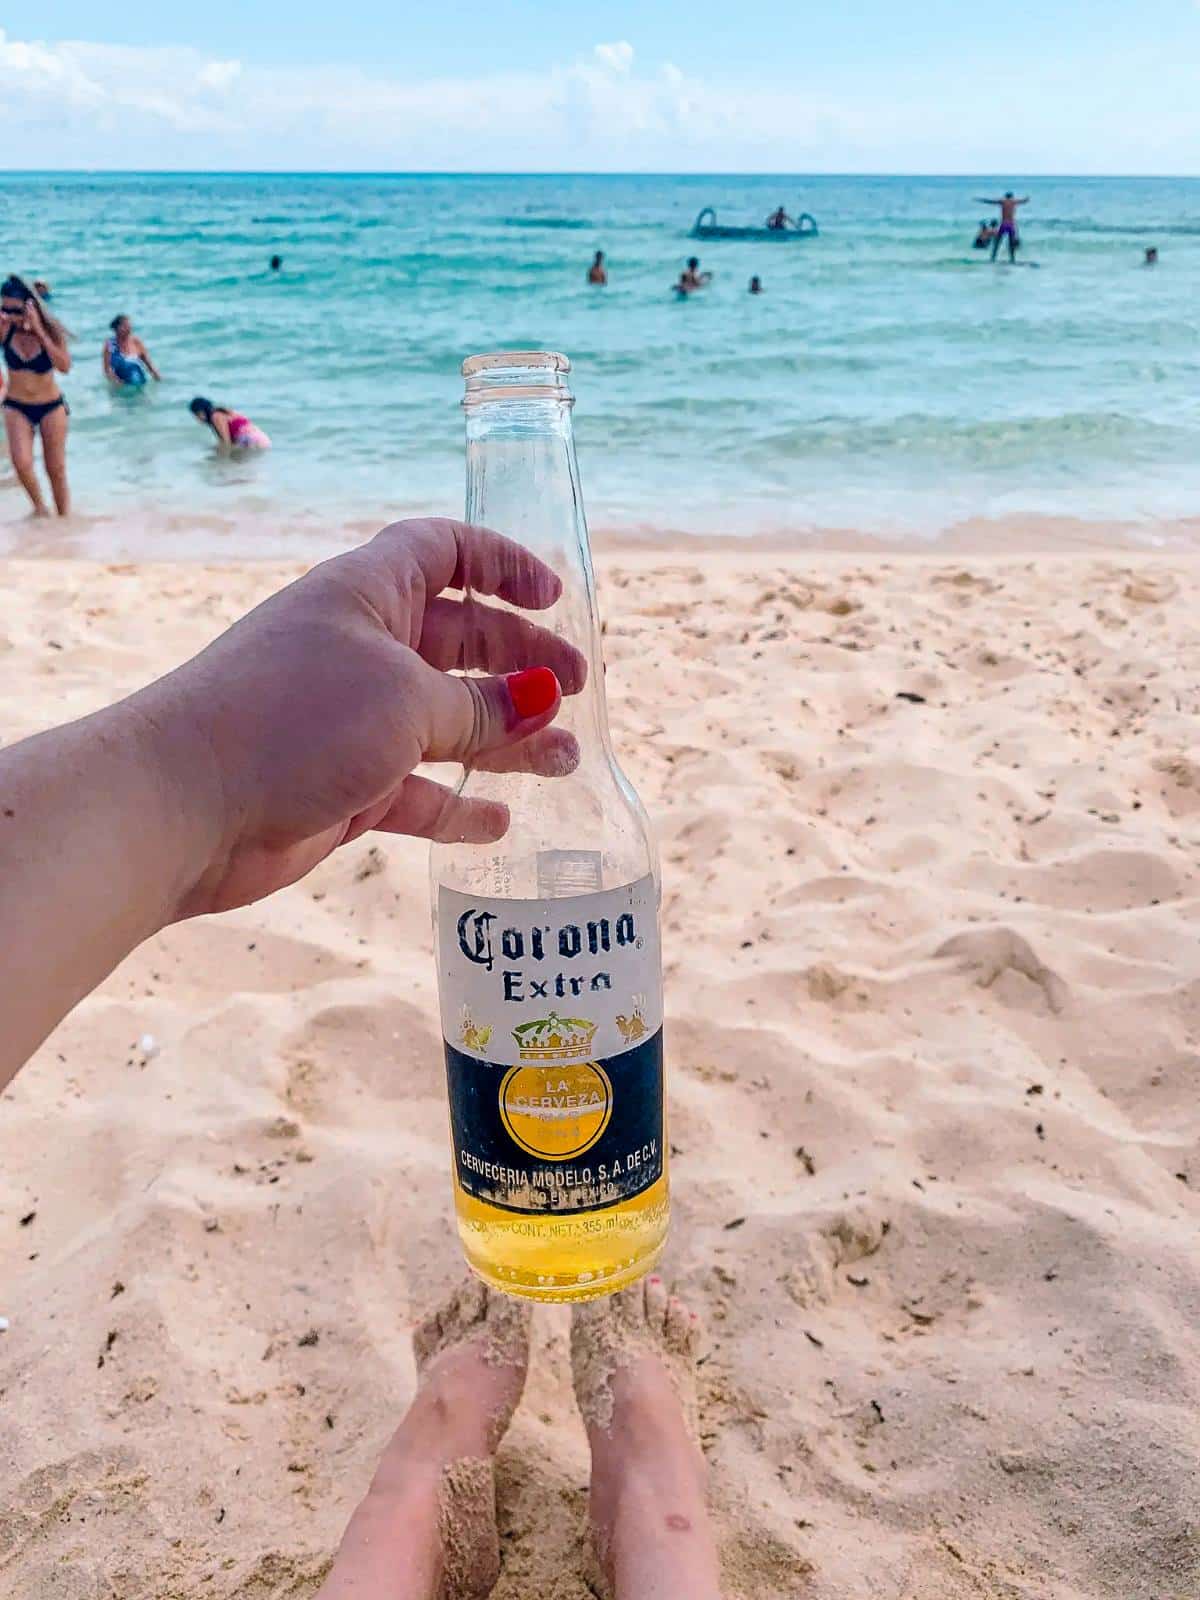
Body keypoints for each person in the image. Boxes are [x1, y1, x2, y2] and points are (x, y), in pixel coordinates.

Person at [0, 517, 725, 1599]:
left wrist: (207, 773)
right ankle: (633, 1492)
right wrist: (212, 766)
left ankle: (438, 1479)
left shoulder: (595, 786)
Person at [0, 274, 72, 517]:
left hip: (51, 406)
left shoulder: (50, 331)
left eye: (15, 311)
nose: (9, 316)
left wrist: (39, 331)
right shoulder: (4, 329)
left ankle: (64, 519)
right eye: (4, 309)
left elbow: (64, 366)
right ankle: (40, 509)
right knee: (21, 464)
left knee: (56, 469)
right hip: (16, 405)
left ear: (30, 305)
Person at [189, 395, 271, 451]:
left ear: (203, 411)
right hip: (259, 439)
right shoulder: (220, 413)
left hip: (251, 440)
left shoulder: (216, 416)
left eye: (197, 414)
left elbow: (226, 442)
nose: (197, 418)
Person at [103, 315, 161, 388]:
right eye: (125, 326)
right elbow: (107, 370)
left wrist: (157, 377)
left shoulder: (136, 342)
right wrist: (117, 382)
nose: (129, 328)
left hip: (139, 384)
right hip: (120, 387)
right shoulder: (110, 344)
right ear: (117, 328)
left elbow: (149, 364)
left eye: (129, 326)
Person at [974, 191, 1029, 261]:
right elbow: (1024, 201)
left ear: (1005, 196)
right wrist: (1027, 198)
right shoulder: (1014, 202)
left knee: (997, 243)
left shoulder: (1003, 201)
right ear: (1012, 196)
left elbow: (991, 202)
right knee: (1011, 244)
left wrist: (980, 200)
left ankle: (993, 258)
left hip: (1004, 224)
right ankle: (1012, 259)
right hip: (1011, 225)